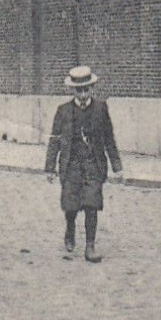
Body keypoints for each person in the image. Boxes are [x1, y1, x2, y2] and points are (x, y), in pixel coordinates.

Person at [44, 65, 123, 263]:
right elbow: (54, 140)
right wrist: (49, 167)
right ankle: (70, 229)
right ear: (72, 91)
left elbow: (109, 138)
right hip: (71, 165)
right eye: (78, 90)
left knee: (92, 204)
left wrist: (117, 166)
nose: (82, 94)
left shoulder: (101, 109)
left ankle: (90, 246)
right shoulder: (62, 111)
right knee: (71, 205)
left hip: (92, 164)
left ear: (92, 89)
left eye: (86, 89)